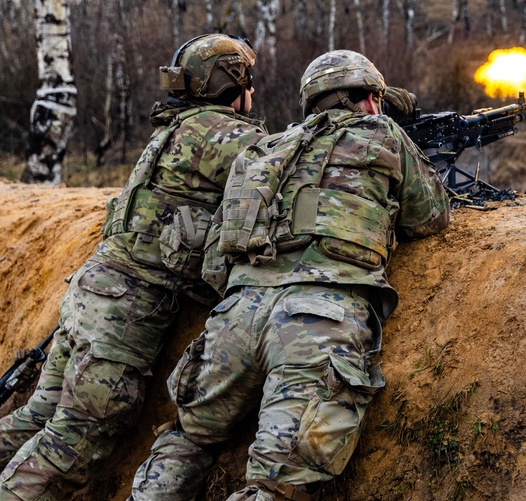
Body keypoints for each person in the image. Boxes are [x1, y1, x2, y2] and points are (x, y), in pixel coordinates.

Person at [129, 50, 450, 501]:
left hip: (236, 318)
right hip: (317, 324)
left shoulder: (265, 148)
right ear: (370, 99)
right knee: (278, 484)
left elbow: (217, 258)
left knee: (189, 437)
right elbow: (430, 216)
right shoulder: (384, 134)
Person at [0, 34, 267, 500]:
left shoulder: (172, 128)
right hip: (122, 319)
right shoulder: (231, 137)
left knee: (36, 417)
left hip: (89, 294)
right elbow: (299, 171)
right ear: (234, 82)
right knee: (72, 447)